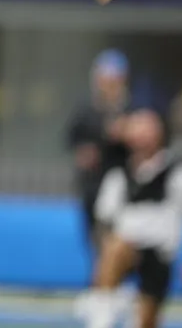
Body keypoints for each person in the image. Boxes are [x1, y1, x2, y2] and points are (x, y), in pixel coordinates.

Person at [81, 109, 182, 328]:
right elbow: (103, 220)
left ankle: (128, 303)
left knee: (146, 321)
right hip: (126, 249)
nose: (141, 135)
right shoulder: (118, 174)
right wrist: (102, 259)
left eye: (147, 129)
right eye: (136, 128)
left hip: (160, 253)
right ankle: (104, 309)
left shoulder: (179, 170)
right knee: (116, 246)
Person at [67, 50, 133, 259]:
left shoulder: (131, 108)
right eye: (103, 79)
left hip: (122, 184)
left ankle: (114, 279)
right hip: (93, 184)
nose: (107, 85)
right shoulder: (86, 109)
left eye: (112, 80)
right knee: (96, 237)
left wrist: (126, 133)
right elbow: (71, 138)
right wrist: (83, 151)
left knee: (119, 237)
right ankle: (101, 281)